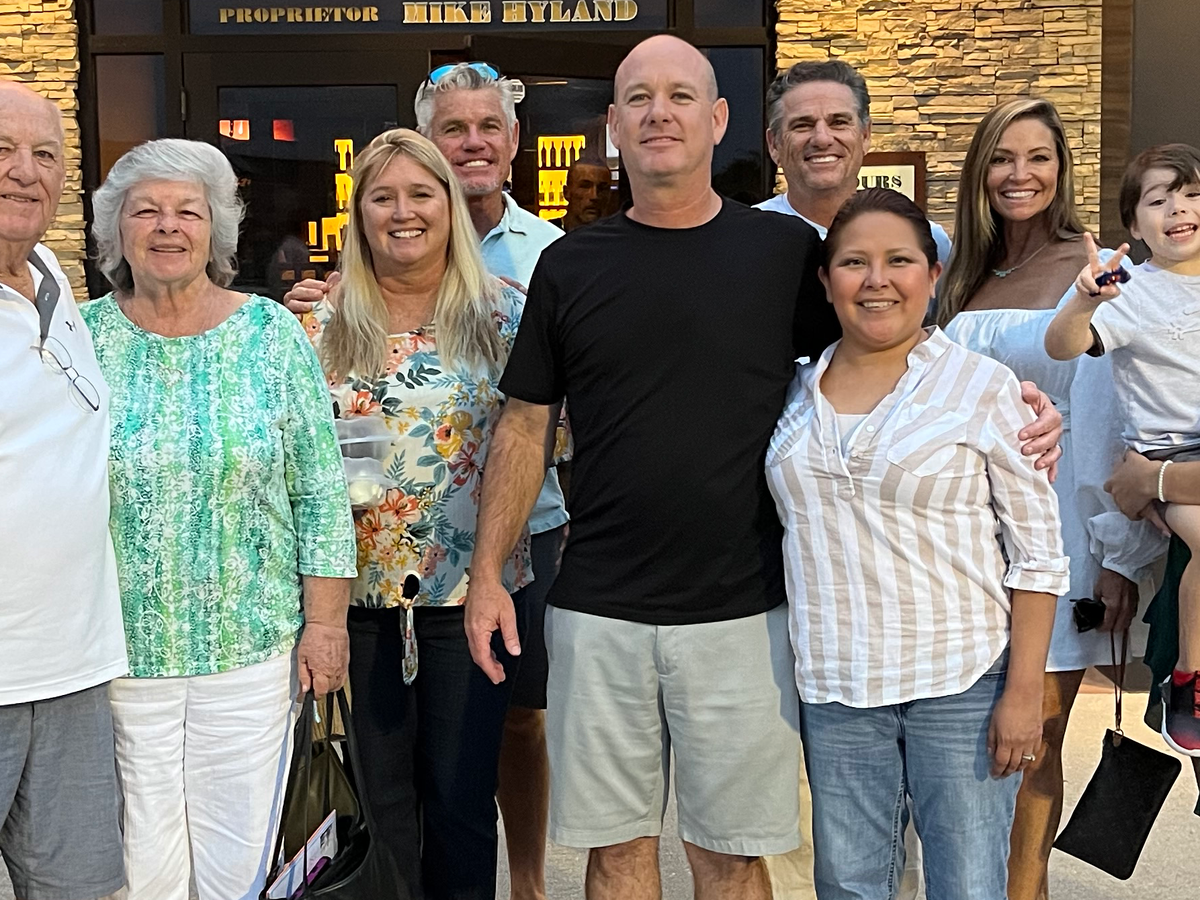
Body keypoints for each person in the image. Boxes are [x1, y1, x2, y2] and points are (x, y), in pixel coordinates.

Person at [463, 36, 1063, 900]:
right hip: (598, 608)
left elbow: (884, 347)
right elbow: (525, 424)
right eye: (638, 99)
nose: (659, 114)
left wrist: (1014, 402)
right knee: (615, 854)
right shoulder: (570, 265)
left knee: (732, 856)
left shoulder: (781, 257)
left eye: (680, 96)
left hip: (744, 613)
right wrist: (488, 572)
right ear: (613, 126)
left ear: (718, 121)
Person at [286, 62, 568, 900]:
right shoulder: (314, 325)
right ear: (359, 215)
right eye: (383, 197)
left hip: (473, 599)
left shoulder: (507, 315)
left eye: (421, 194)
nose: (403, 212)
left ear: (450, 205)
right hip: (356, 605)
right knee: (381, 809)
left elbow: (547, 437)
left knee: (461, 805)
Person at [767, 186, 1067, 900]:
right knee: (849, 886)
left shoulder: (982, 386)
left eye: (899, 260)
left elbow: (1038, 554)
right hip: (836, 688)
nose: (877, 280)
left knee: (967, 885)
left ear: (933, 275)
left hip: (961, 684)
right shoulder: (790, 391)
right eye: (854, 262)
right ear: (826, 280)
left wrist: (1024, 691)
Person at [82, 138, 358, 900]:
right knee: (141, 871)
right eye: (146, 211)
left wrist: (326, 625)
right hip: (120, 659)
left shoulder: (270, 334)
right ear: (116, 230)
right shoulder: (81, 338)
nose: (167, 227)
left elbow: (319, 491)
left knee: (244, 866)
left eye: (188, 212)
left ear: (216, 231)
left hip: (250, 654)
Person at [939, 98, 1166, 900]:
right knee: (963, 747)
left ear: (1063, 169)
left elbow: (1115, 418)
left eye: (1038, 157)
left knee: (1032, 743)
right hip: (959, 541)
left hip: (1062, 533)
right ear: (980, 170)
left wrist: (1119, 557)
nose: (1020, 174)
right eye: (1003, 157)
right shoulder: (956, 272)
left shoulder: (1095, 267)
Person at [0, 79, 128, 900]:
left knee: (78, 889)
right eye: (2, 150)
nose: (25, 171)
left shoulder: (50, 271)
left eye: (44, 154)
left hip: (73, 669)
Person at [1046, 142, 1200, 755]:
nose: (1179, 209)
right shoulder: (1131, 290)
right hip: (1171, 456)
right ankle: (1191, 677)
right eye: (1159, 201)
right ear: (1133, 226)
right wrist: (1085, 299)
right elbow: (1062, 346)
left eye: (1192, 195)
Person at [755, 60, 950, 264]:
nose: (822, 139)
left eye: (839, 122)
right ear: (774, 144)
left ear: (865, 136)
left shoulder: (926, 242)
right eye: (802, 125)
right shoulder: (744, 240)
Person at [560, 157, 614, 232]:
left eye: (602, 188)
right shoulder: (548, 233)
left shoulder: (616, 235)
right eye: (585, 186)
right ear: (566, 192)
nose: (594, 196)